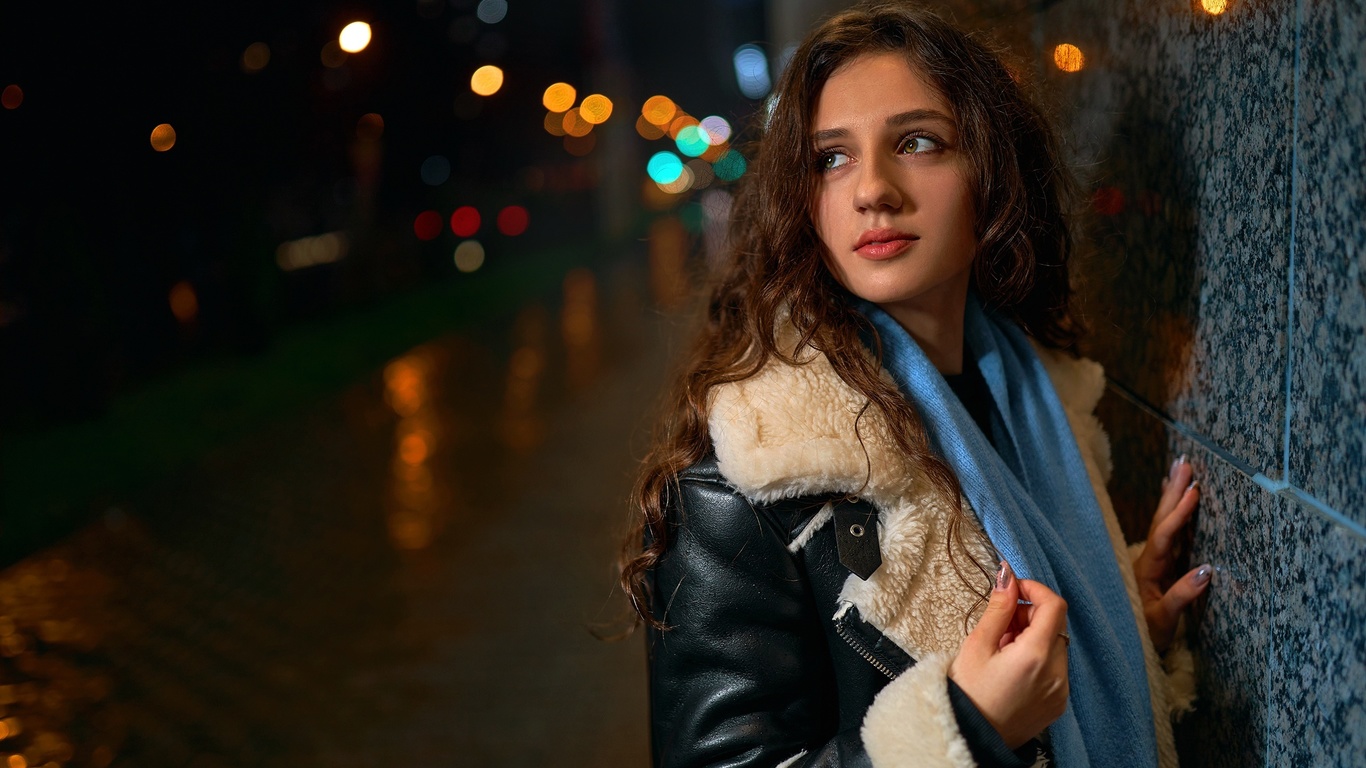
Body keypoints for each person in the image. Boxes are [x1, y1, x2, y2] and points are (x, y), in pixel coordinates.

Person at [619, 3, 1210, 766]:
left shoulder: (1036, 406)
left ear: (992, 176)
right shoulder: (747, 475)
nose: (873, 190)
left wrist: (1114, 631)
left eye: (917, 142)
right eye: (831, 158)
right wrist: (963, 730)